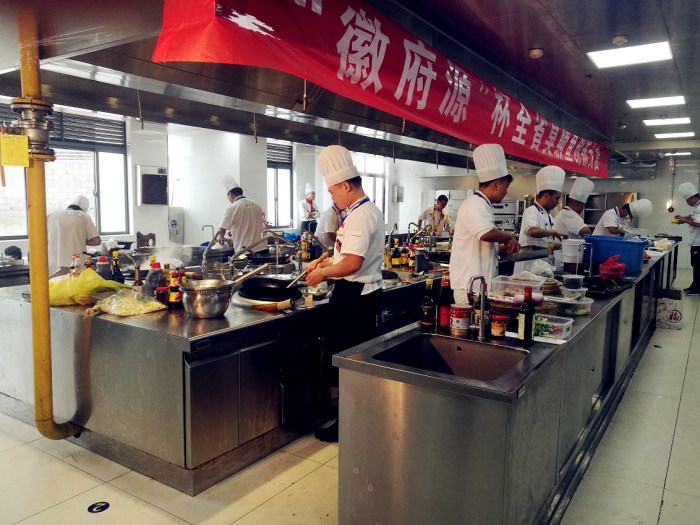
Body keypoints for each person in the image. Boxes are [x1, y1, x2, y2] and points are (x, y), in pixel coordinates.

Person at [305, 145, 384, 443]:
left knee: (347, 362)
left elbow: (353, 263)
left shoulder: (360, 216)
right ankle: (352, 420)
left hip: (354, 296)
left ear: (346, 186)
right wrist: (324, 262)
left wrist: (322, 274)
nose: (331, 197)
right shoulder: (362, 211)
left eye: (332, 191)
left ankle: (347, 425)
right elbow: (346, 255)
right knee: (352, 360)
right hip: (360, 293)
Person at [449, 143, 520, 303]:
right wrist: (508, 237)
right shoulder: (475, 203)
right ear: (496, 185)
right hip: (470, 287)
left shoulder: (483, 204)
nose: (506, 192)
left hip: (478, 286)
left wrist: (500, 247)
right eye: (505, 187)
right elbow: (485, 234)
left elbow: (482, 242)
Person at [514, 166, 568, 273]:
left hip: (543, 267)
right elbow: (532, 231)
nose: (558, 202)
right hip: (528, 270)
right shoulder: (531, 211)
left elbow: (544, 243)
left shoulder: (549, 217)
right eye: (556, 198)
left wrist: (561, 246)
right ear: (546, 196)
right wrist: (553, 232)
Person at [46, 195, 101, 275]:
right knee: (74, 282)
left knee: (55, 282)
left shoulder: (52, 215)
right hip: (75, 264)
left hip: (53, 263)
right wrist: (80, 239)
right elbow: (96, 241)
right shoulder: (84, 216)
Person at [217, 187, 265, 253]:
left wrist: (221, 238)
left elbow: (222, 229)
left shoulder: (232, 208)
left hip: (246, 251)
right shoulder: (256, 204)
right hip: (262, 248)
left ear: (231, 194)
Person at [675, 182, 700, 295]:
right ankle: (695, 286)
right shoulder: (697, 207)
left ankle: (696, 289)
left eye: (688, 200)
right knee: (696, 265)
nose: (687, 202)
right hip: (696, 242)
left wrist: (684, 221)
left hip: (699, 243)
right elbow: (692, 216)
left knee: (698, 266)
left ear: (693, 198)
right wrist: (682, 218)